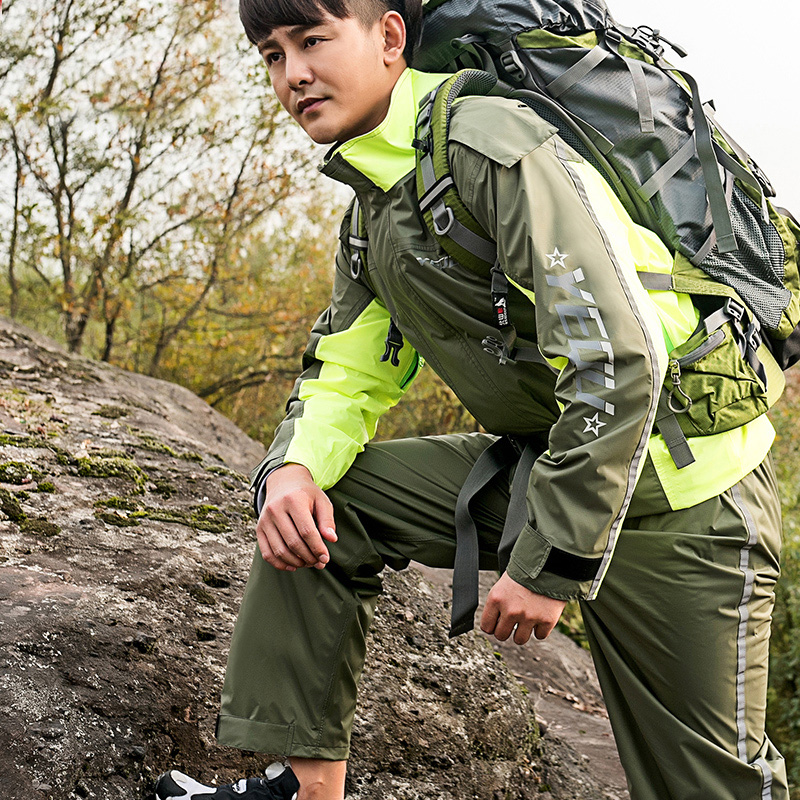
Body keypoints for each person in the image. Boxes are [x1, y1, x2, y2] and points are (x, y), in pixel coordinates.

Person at [155, 1, 787, 798]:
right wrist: (291, 470)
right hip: (556, 463)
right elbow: (348, 370)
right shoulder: (377, 203)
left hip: (684, 494)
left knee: (707, 786)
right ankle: (304, 786)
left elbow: (619, 359)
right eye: (273, 56)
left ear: (389, 38)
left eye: (312, 40)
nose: (294, 75)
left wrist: (549, 562)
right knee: (322, 506)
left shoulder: (493, 146)